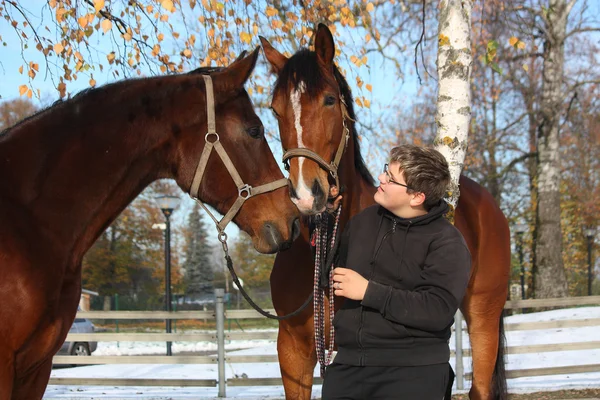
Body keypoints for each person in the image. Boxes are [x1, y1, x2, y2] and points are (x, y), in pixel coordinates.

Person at [321, 144, 471, 400]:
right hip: (348, 368)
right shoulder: (362, 222)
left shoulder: (446, 242)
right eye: (385, 171)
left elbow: (437, 309)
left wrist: (369, 291)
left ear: (416, 197)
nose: (380, 178)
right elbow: (329, 275)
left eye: (390, 178)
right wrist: (323, 221)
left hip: (412, 373)